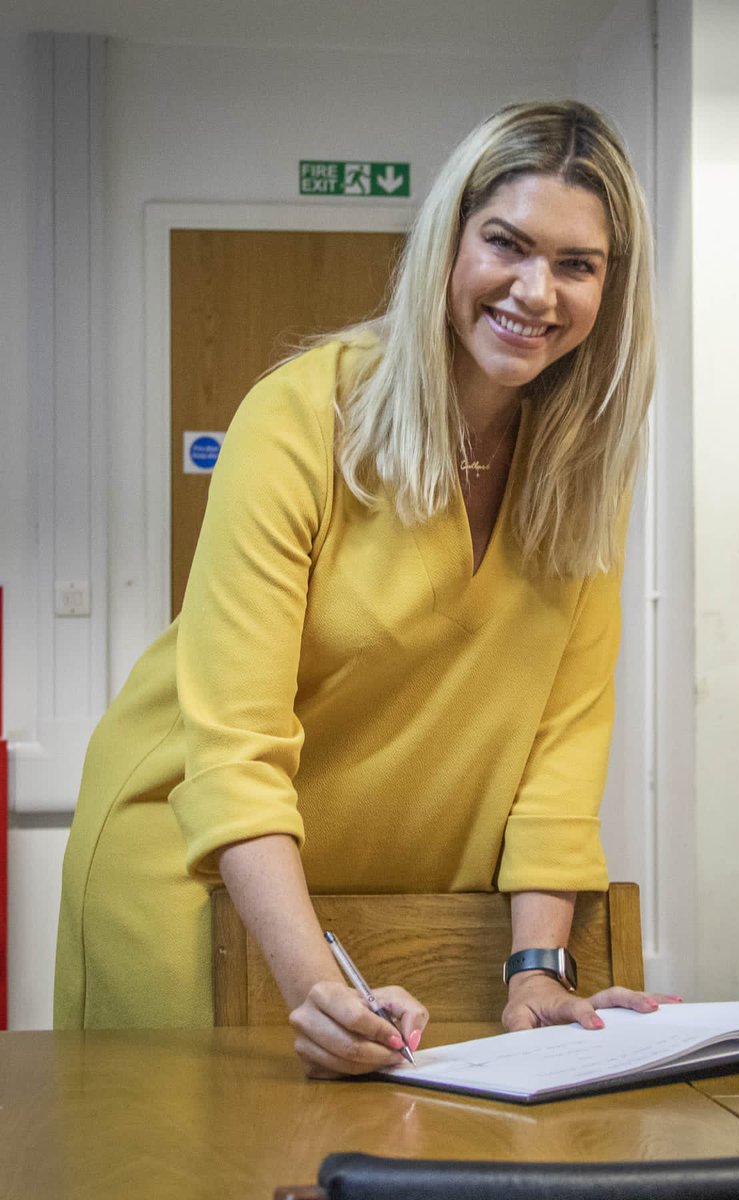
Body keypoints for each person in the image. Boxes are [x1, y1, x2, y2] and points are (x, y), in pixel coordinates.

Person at [54, 99, 677, 1078]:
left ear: (613, 285)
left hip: (406, 895)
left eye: (576, 264)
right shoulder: (307, 414)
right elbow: (236, 747)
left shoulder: (585, 464)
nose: (535, 290)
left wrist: (535, 964)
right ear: (447, 246)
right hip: (197, 859)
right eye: (505, 244)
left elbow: (566, 734)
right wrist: (314, 982)